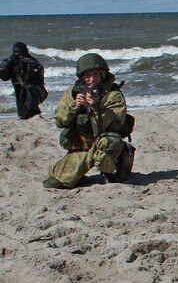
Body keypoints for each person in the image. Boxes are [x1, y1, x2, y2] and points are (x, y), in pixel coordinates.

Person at [45, 53, 135, 189]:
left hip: (104, 142)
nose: (91, 79)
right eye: (87, 75)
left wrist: (96, 107)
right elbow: (61, 120)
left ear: (103, 73)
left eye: (95, 74)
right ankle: (80, 173)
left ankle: (109, 170)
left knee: (109, 143)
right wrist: (75, 106)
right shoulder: (74, 92)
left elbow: (116, 123)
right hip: (83, 145)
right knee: (56, 183)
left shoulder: (113, 94)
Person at [1, 42, 47, 119]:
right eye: (17, 54)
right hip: (20, 93)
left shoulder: (34, 62)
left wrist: (27, 67)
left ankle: (32, 113)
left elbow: (39, 80)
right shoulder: (10, 62)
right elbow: (4, 76)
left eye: (21, 54)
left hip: (36, 91)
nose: (20, 56)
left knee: (29, 88)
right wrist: (11, 62)